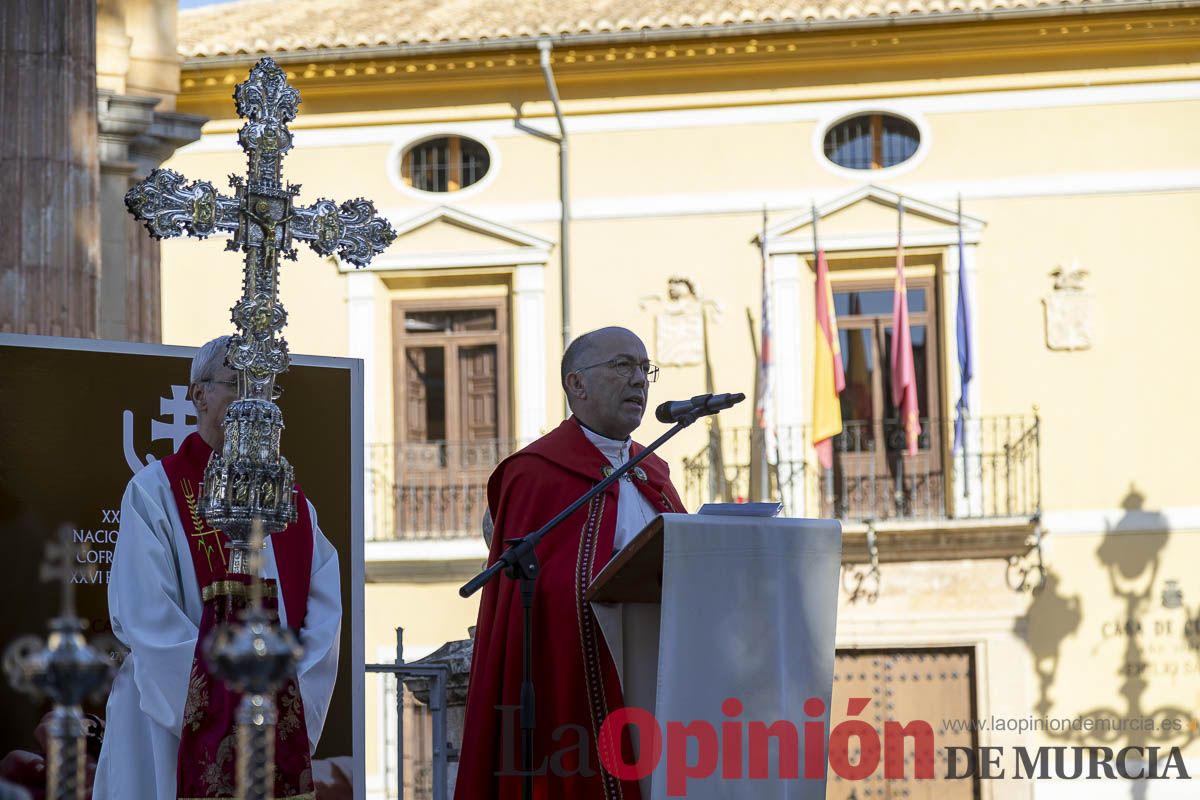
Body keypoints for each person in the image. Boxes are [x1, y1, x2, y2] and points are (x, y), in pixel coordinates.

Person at [94, 336, 341, 799]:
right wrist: (221, 706)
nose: (253, 401)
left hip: (269, 726)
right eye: (237, 384)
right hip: (167, 720)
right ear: (198, 395)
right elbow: (147, 615)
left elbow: (323, 621)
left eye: (264, 387)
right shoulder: (155, 492)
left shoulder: (293, 507)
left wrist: (281, 704)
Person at [456, 326, 685, 800]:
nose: (639, 380)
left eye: (645, 369)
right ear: (576, 384)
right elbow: (539, 589)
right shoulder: (534, 472)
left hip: (661, 675)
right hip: (575, 678)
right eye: (623, 366)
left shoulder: (653, 470)